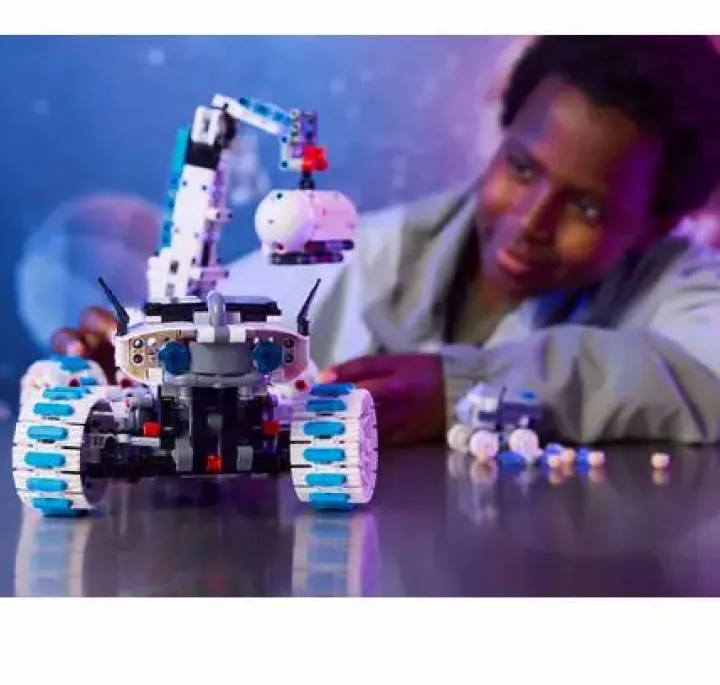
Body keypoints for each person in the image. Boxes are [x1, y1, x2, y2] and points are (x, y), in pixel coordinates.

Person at [53, 36, 720, 448]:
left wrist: (465, 388)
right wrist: (146, 358)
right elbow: (222, 317)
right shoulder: (372, 251)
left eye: (587, 206)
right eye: (521, 168)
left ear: (657, 222)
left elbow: (706, 373)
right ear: (502, 135)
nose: (530, 221)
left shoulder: (681, 282)